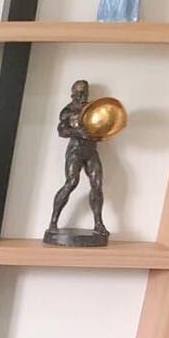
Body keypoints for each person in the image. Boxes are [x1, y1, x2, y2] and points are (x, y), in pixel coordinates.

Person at [48, 79, 108, 237]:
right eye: (80, 93)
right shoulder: (68, 110)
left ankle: (98, 223)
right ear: (73, 94)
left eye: (85, 93)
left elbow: (101, 126)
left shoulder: (93, 109)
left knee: (97, 185)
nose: (82, 97)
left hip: (91, 151)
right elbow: (62, 131)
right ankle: (53, 221)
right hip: (75, 151)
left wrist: (102, 133)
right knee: (71, 182)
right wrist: (78, 132)